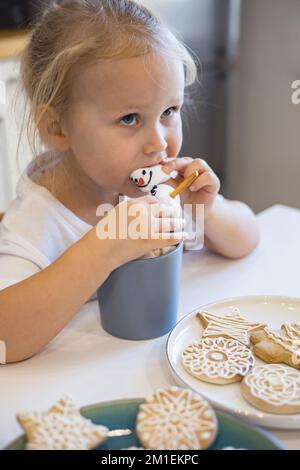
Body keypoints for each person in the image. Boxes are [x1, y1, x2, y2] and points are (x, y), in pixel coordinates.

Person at [0, 0, 259, 363]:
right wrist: (103, 249)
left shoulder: (161, 190)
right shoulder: (38, 220)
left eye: (169, 112)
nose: (159, 143)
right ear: (57, 127)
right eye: (129, 119)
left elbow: (247, 238)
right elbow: (5, 338)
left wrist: (206, 212)